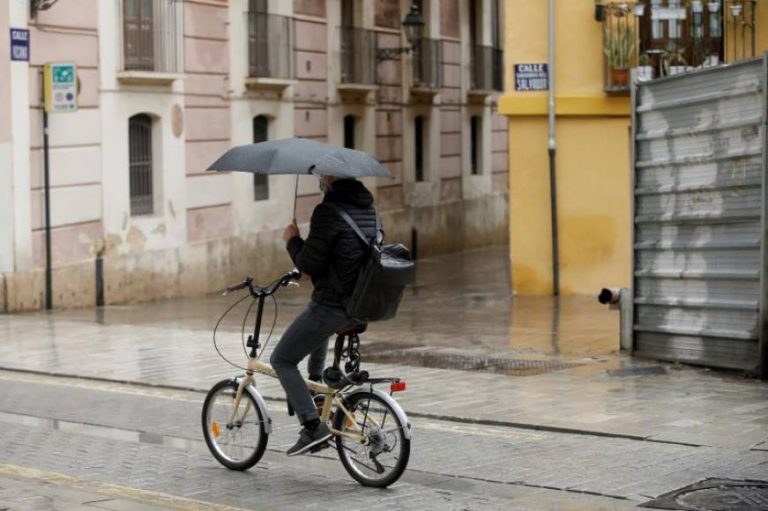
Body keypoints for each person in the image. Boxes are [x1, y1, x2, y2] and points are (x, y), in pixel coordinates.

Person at [273, 174, 378, 456]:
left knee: (281, 359)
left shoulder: (327, 212)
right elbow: (348, 256)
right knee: (314, 328)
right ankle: (317, 387)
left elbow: (308, 261)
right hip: (359, 306)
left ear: (332, 180)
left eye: (323, 177)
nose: (320, 181)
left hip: (333, 305)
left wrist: (293, 240)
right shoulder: (368, 210)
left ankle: (312, 427)